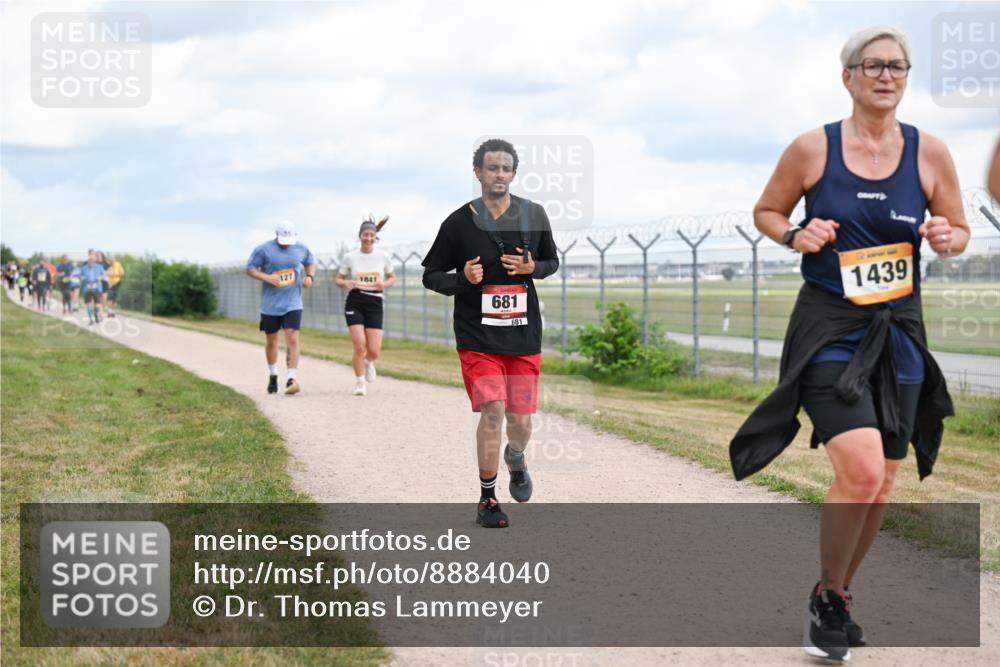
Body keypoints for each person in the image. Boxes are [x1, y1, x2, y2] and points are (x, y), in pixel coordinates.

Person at [728, 27, 969, 662]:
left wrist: (947, 236)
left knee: (883, 480)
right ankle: (829, 601)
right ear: (849, 77)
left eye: (898, 66)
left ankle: (835, 594)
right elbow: (767, 211)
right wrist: (794, 236)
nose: (886, 75)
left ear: (906, 78)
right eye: (873, 65)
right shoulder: (813, 147)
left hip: (900, 330)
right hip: (831, 327)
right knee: (860, 471)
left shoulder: (931, 152)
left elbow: (960, 230)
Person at [422, 138, 559, 528]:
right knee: (493, 410)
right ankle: (487, 500)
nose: (498, 174)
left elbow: (552, 261)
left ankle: (515, 458)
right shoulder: (457, 222)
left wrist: (533, 269)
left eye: (505, 168)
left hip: (522, 335)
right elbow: (431, 275)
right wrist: (461, 279)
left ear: (514, 173)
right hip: (477, 337)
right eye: (491, 168)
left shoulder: (534, 214)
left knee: (520, 420)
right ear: (478, 172)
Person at [246, 220, 317, 395]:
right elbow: (250, 269)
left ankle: (291, 379)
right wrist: (267, 278)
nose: (286, 246)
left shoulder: (301, 248)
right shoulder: (263, 250)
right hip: (270, 304)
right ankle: (273, 375)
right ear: (276, 236)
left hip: (293, 302)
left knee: (292, 338)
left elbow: (311, 262)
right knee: (272, 341)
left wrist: (309, 277)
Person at [335, 216, 396, 396]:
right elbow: (338, 279)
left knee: (374, 350)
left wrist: (384, 284)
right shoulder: (350, 257)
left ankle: (369, 362)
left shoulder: (382, 256)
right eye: (365, 235)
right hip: (355, 300)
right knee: (359, 344)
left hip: (375, 301)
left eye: (371, 235)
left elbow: (392, 277)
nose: (368, 238)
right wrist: (345, 283)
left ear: (375, 237)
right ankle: (360, 382)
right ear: (360, 236)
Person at [78, 251, 107, 325]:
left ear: (95, 260)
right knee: (88, 304)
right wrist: (82, 277)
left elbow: (103, 275)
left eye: (92, 260)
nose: (91, 261)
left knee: (97, 303)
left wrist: (100, 277)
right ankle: (91, 319)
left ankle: (96, 314)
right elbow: (80, 276)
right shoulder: (84, 268)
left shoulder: (99, 267)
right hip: (87, 288)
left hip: (97, 287)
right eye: (90, 260)